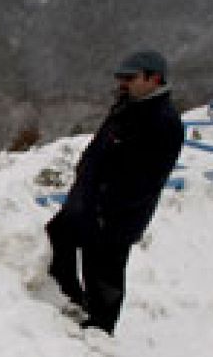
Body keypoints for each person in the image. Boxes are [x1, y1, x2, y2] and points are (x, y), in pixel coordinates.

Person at [46, 49, 184, 334]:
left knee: (104, 273)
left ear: (154, 78)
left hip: (115, 217)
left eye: (130, 77)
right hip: (89, 203)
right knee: (59, 234)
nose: (122, 82)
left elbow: (145, 181)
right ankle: (68, 297)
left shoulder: (162, 122)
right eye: (120, 77)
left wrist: (105, 208)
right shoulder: (129, 105)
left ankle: (99, 331)